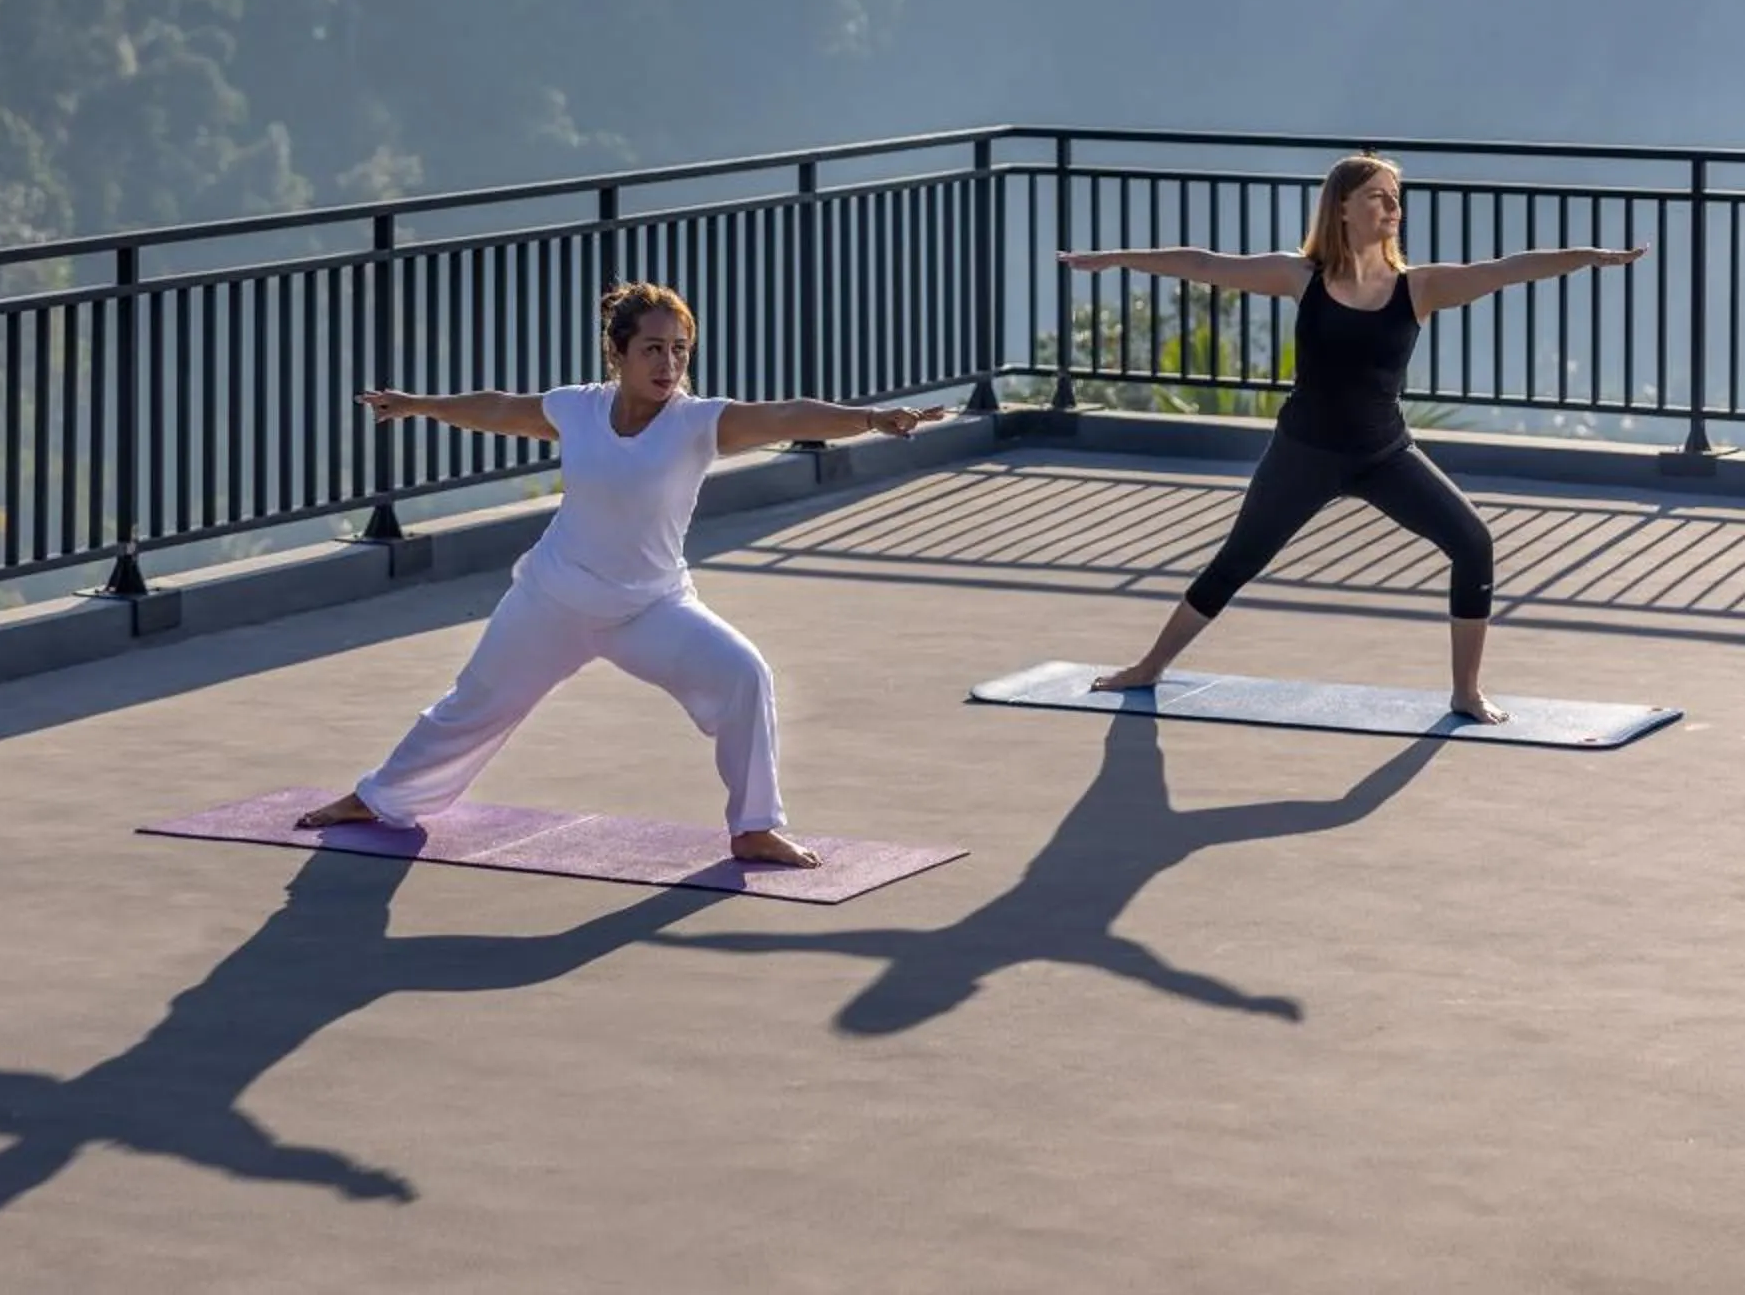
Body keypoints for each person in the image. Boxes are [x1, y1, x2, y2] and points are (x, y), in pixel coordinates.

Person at [297, 279, 948, 864]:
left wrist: (870, 419)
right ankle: (375, 798)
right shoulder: (578, 409)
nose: (669, 365)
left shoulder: (697, 423)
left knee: (745, 674)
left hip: (651, 608)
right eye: (654, 350)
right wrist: (418, 404)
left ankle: (754, 827)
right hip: (554, 597)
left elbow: (784, 415)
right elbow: (498, 408)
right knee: (470, 704)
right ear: (619, 352)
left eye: (680, 350)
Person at [1058, 152, 1646, 723]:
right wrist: (1115, 259)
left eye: (1396, 197)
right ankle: (1149, 666)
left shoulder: (1419, 288)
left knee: (1473, 543)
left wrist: (1587, 257)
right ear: (1341, 207)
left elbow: (1505, 269)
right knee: (1236, 562)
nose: (1392, 205)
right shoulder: (1300, 276)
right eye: (1377, 195)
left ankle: (1466, 691)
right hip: (1303, 455)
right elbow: (1207, 264)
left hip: (1383, 454)